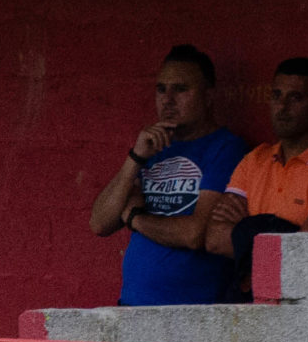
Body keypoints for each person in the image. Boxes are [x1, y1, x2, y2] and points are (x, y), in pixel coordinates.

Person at [89, 44, 247, 307]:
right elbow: (99, 223)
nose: (168, 99)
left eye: (181, 89)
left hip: (191, 312)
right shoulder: (153, 147)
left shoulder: (226, 148)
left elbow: (194, 234)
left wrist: (135, 218)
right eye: (161, 89)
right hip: (132, 306)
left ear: (208, 96)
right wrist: (135, 158)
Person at [203, 56, 308, 291]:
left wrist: (245, 228)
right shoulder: (254, 160)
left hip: (298, 306)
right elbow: (215, 240)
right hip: (249, 304)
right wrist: (284, 233)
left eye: (295, 97)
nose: (282, 107)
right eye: (277, 95)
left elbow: (304, 256)